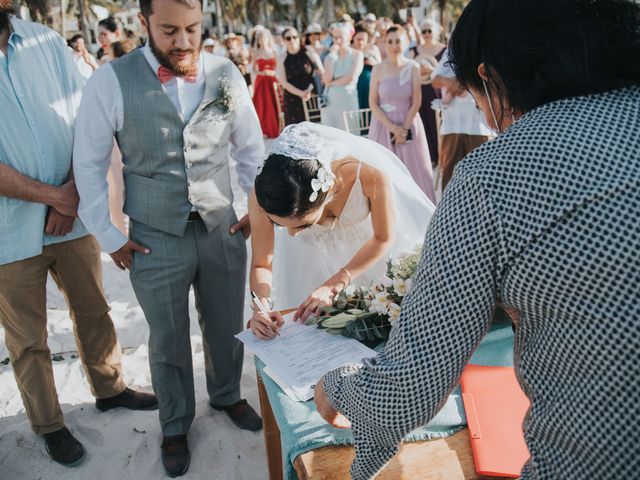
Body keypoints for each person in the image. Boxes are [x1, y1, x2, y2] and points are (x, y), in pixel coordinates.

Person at [313, 1, 640, 479]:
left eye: (476, 95)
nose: (488, 121)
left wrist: (337, 387)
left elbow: (410, 386)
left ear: (490, 78)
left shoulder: (495, 174)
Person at [72, 0, 265, 476]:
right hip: (154, 238)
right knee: (168, 337)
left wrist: (253, 213)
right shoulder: (110, 80)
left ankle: (225, 396)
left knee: (225, 323)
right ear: (143, 24)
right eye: (168, 30)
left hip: (222, 227)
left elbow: (251, 149)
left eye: (192, 29)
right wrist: (108, 234)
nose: (182, 42)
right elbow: (88, 164)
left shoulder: (225, 73)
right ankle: (175, 424)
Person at [0, 6, 157, 468]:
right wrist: (53, 196)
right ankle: (50, 425)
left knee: (93, 308)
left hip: (73, 212)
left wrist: (69, 194)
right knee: (27, 338)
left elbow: (85, 118)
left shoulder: (45, 42)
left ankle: (110, 389)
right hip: (9, 228)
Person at [247, 122, 435, 337]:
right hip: (308, 265)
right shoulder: (263, 197)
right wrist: (260, 306)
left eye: (304, 225)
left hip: (368, 257)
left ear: (326, 192)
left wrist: (335, 284)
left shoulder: (370, 175)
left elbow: (384, 237)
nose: (292, 234)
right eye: (279, 225)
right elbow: (262, 263)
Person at [368, 25, 436, 202]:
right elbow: (373, 103)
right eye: (390, 42)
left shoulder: (413, 67)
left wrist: (403, 129)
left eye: (397, 41)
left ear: (404, 42)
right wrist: (393, 128)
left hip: (409, 122)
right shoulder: (378, 69)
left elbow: (416, 101)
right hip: (383, 125)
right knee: (384, 174)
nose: (394, 45)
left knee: (416, 170)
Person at [431, 48, 491, 190]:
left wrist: (465, 84)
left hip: (479, 127)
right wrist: (452, 82)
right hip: (452, 126)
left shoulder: (484, 47)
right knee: (450, 178)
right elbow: (434, 79)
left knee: (480, 176)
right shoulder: (451, 52)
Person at [410, 19, 446, 167]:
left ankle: (441, 156)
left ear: (435, 32)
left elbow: (447, 72)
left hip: (438, 91)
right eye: (423, 31)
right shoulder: (415, 51)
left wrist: (432, 71)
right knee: (423, 124)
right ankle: (429, 157)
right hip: (420, 90)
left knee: (437, 123)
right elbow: (409, 72)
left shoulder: (444, 50)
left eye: (429, 31)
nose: (426, 34)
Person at [276, 26, 323, 125]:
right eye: (288, 38)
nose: (292, 40)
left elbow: (320, 70)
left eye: (294, 37)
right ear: (284, 40)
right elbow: (283, 82)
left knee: (315, 128)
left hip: (311, 95)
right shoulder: (282, 58)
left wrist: (309, 90)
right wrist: (300, 93)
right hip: (292, 97)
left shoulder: (308, 50)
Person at [320, 23, 363, 130]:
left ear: (349, 38)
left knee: (350, 133)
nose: (338, 40)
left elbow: (351, 77)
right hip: (330, 103)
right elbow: (327, 79)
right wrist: (332, 55)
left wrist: (332, 83)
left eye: (341, 37)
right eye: (335, 37)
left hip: (347, 100)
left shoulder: (357, 54)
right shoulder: (329, 56)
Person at [251, 28, 279, 138]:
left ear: (268, 39)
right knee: (262, 105)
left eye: (264, 38)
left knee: (274, 103)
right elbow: (253, 69)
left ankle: (277, 127)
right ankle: (265, 129)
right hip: (262, 80)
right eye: (260, 39)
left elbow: (278, 67)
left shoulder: (274, 52)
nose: (262, 40)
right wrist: (261, 72)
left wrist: (272, 72)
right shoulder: (256, 53)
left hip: (272, 80)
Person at [352, 23, 381, 111]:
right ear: (353, 38)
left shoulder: (373, 49)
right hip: (353, 85)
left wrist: (373, 63)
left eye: (363, 39)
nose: (361, 42)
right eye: (358, 39)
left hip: (370, 85)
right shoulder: (349, 50)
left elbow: (381, 66)